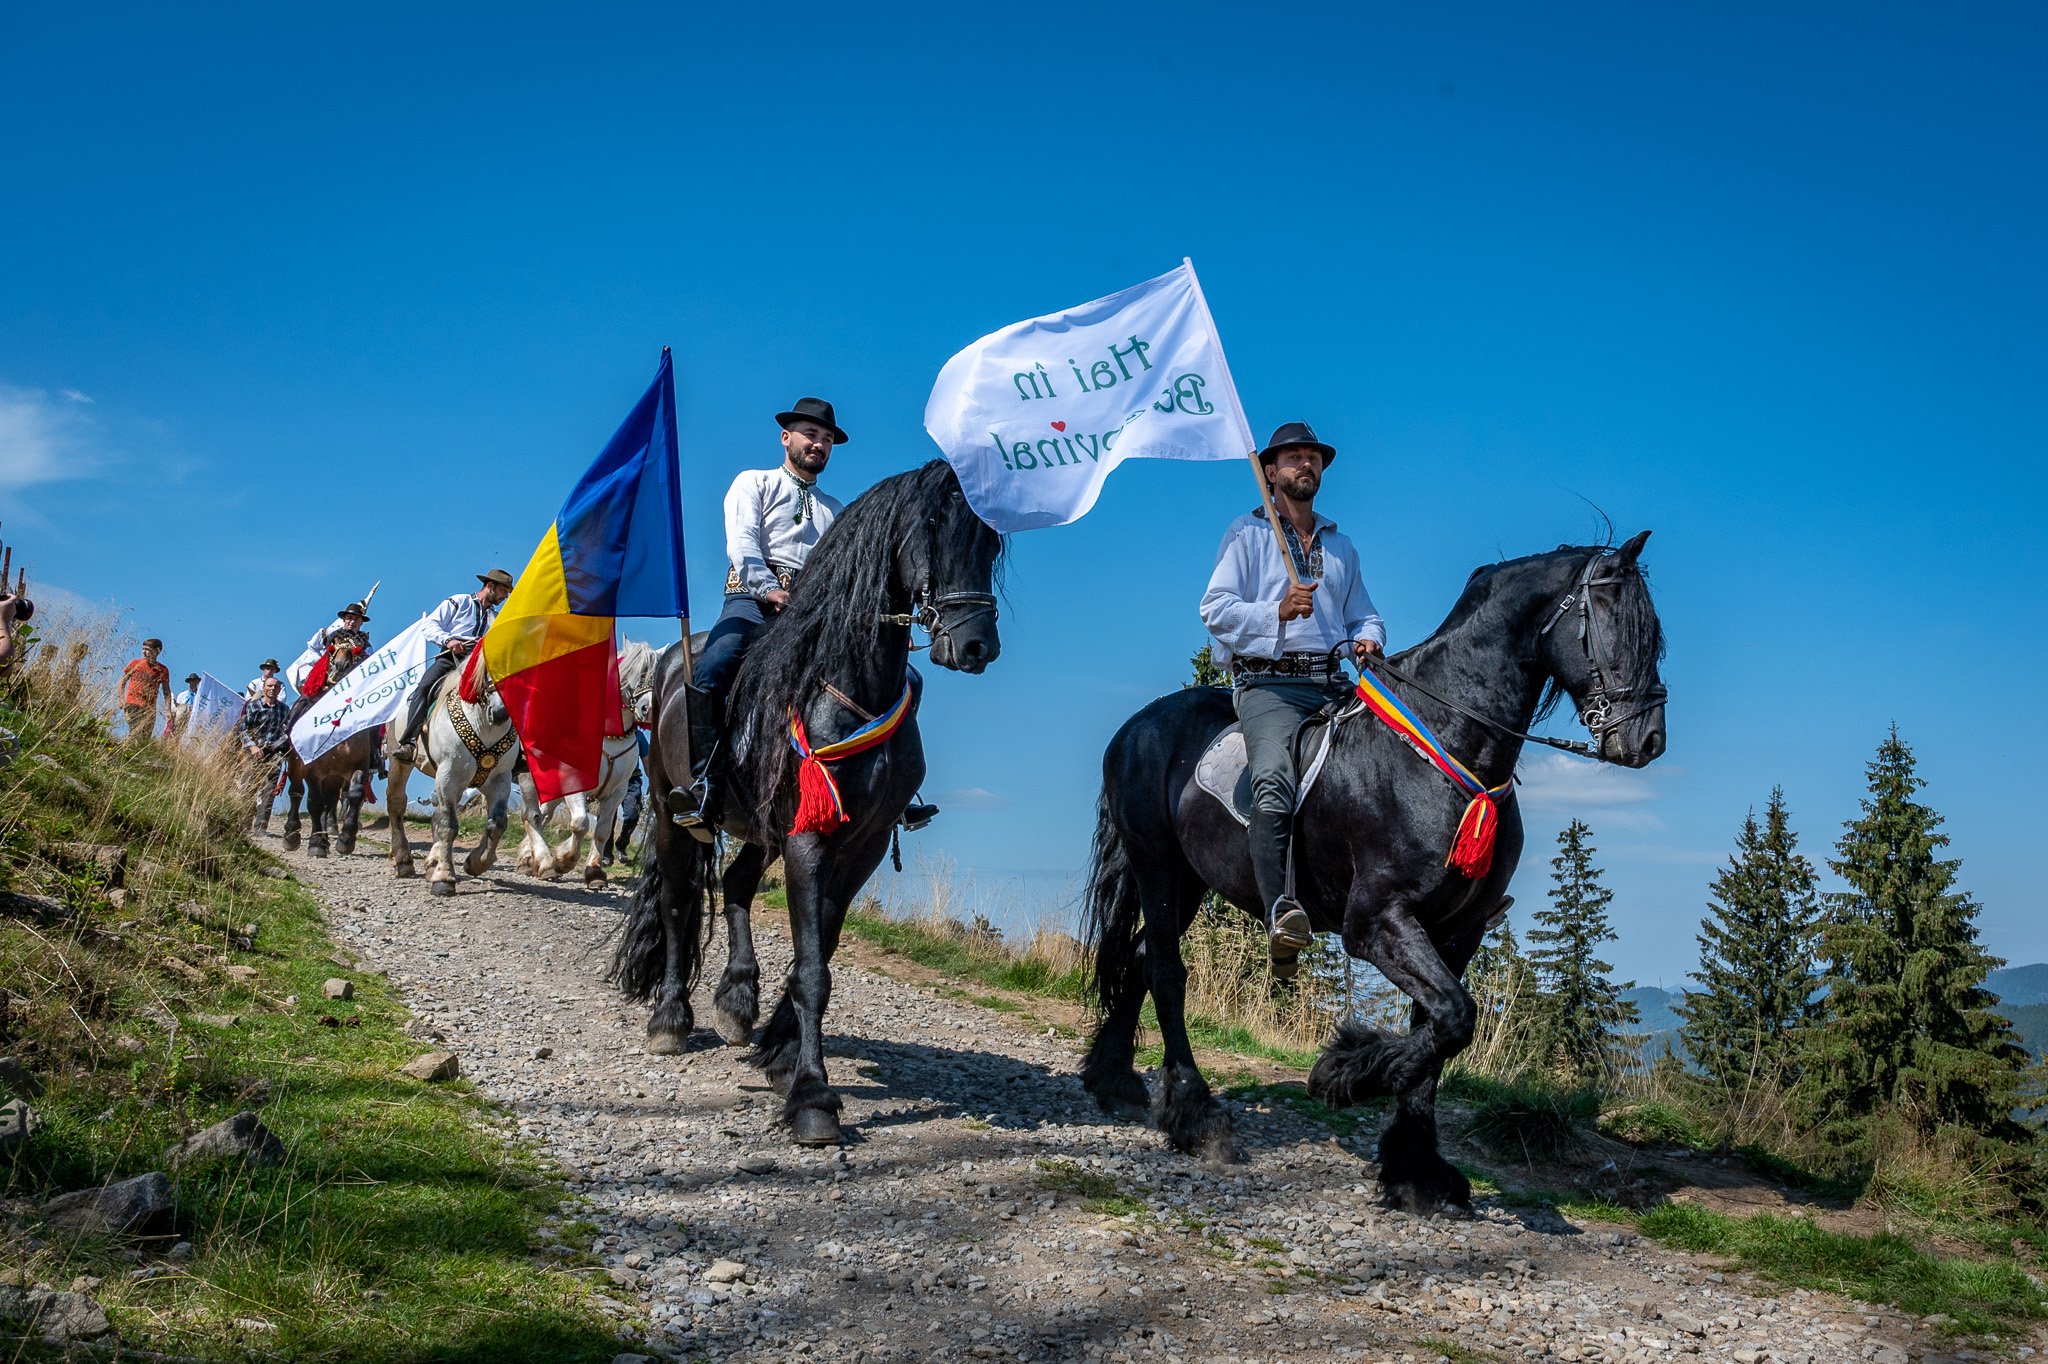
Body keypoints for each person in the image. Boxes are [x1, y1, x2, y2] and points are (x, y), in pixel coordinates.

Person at [1198, 422, 1385, 976]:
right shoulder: (1247, 534)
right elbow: (1214, 609)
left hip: (1333, 683)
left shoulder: (1341, 546)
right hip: (1270, 685)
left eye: (1313, 457)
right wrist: (1275, 612)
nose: (1306, 464)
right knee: (1274, 776)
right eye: (1294, 457)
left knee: (1401, 751)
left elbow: (1364, 614)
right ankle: (1280, 910)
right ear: (1270, 472)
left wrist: (1369, 637)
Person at [668, 397, 850, 830]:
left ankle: (888, 794)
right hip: (751, 602)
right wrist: (769, 589)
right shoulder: (754, 482)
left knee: (879, 674)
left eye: (827, 439)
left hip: (809, 615)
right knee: (715, 663)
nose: (819, 444)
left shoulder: (836, 509)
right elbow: (742, 544)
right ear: (786, 438)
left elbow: (842, 573)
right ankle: (705, 784)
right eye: (811, 434)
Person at [391, 569, 514, 763]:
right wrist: (448, 640)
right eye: (503, 591)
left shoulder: (496, 618)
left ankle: (516, 752)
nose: (505, 596)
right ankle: (409, 742)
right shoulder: (459, 601)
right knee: (424, 688)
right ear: (490, 586)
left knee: (510, 691)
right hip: (451, 658)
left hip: (480, 663)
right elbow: (429, 624)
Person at [239, 675, 293, 830]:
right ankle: (245, 823)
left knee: (269, 790)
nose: (272, 689)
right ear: (263, 688)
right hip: (255, 752)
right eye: (269, 686)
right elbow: (243, 730)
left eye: (275, 687)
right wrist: (252, 747)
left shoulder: (284, 709)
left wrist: (281, 746)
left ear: (279, 690)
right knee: (249, 787)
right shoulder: (253, 706)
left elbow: (287, 731)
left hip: (274, 753)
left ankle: (261, 826)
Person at [120, 638, 173, 742]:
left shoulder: (162, 670)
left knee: (145, 737)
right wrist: (121, 699)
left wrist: (168, 711)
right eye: (143, 649)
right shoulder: (135, 663)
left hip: (149, 708)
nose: (144, 652)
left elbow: (166, 692)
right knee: (135, 731)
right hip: (132, 703)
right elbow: (122, 682)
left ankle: (132, 750)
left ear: (157, 651)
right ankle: (127, 748)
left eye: (147, 649)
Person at [170, 672, 203, 738]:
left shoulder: (200, 696)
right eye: (191, 681)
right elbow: (177, 708)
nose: (193, 683)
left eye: (194, 681)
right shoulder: (182, 695)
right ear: (189, 682)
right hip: (183, 718)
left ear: (197, 682)